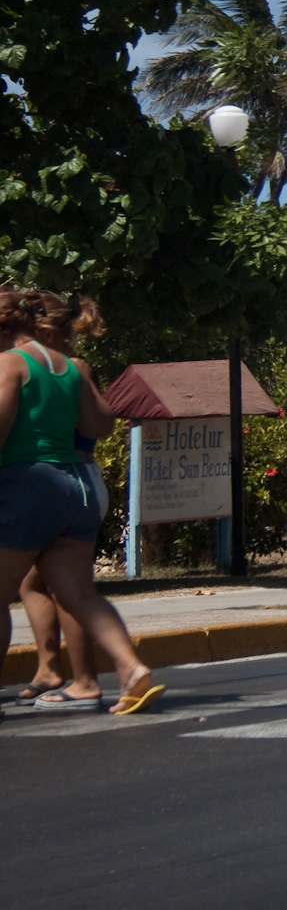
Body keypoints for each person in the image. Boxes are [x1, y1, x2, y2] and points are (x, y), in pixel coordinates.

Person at [0, 290, 163, 715]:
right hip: (78, 488)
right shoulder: (72, 368)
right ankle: (131, 669)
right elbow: (98, 425)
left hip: (28, 483)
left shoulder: (11, 364)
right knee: (80, 594)